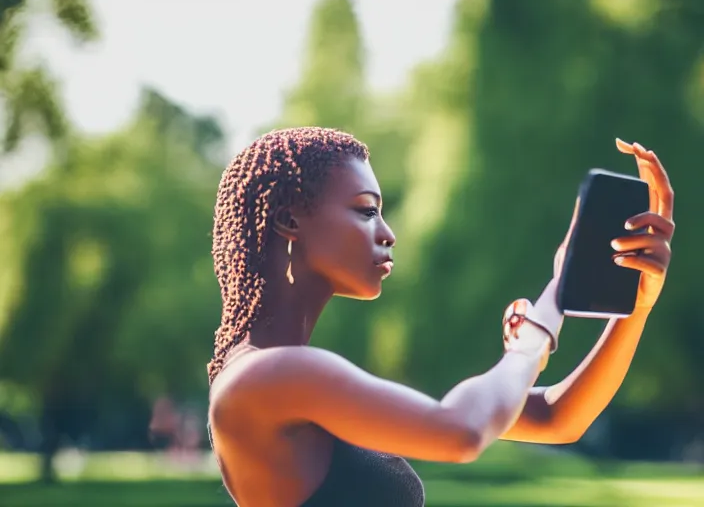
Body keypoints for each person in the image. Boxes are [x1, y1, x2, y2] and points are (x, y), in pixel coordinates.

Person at [206, 127, 675, 507]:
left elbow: (555, 419)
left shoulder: (308, 380)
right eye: (366, 211)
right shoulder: (265, 376)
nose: (388, 234)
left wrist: (635, 308)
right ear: (290, 220)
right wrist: (537, 332)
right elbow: (462, 431)